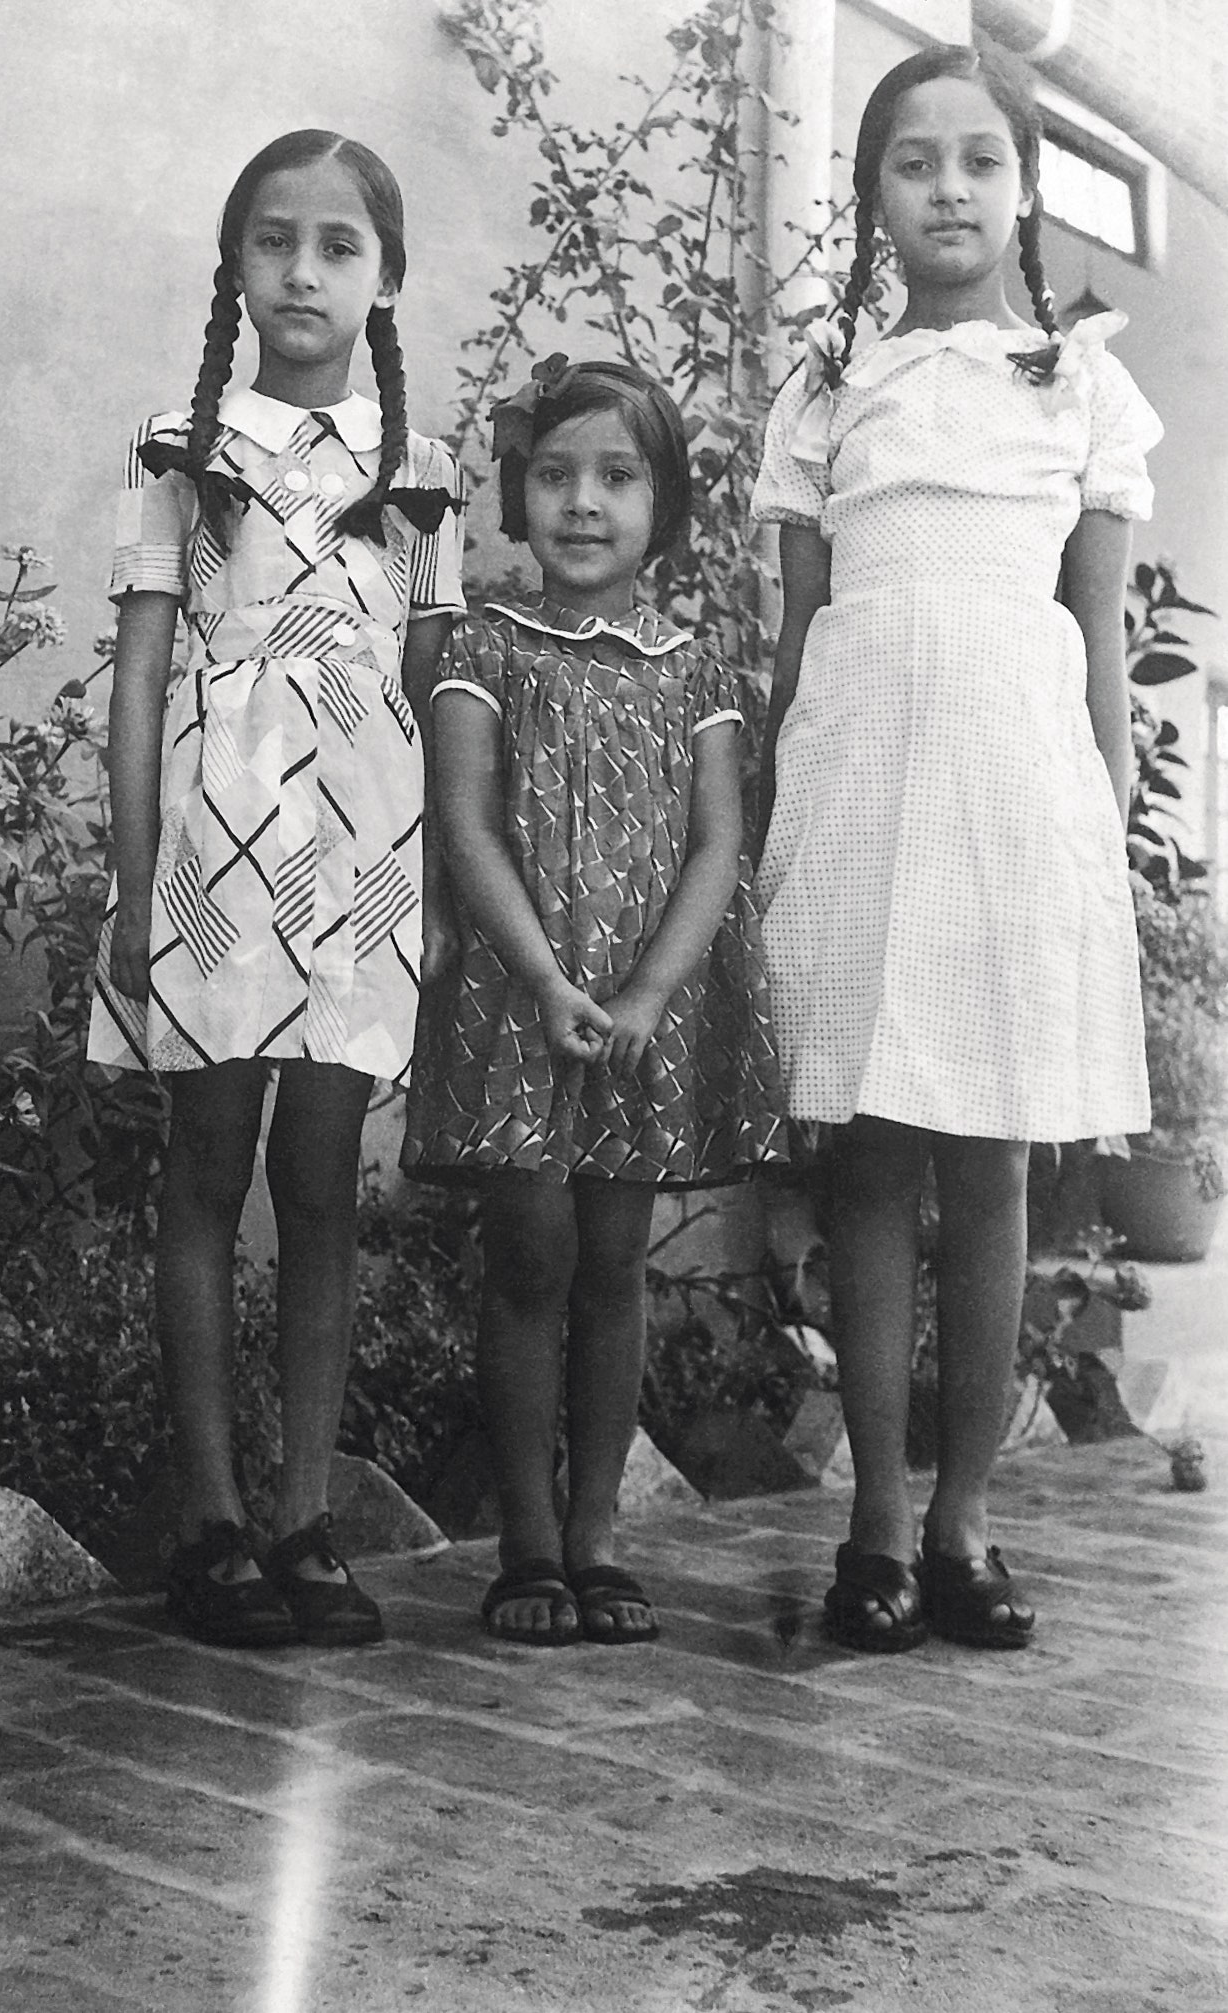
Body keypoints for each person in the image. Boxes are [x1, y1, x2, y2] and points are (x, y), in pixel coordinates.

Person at [752, 44, 1160, 1652]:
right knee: (871, 1150)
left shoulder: (1080, 386)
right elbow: (794, 645)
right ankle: (868, 1524)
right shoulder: (829, 383)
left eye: (979, 161)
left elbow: (1099, 649)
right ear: (869, 196)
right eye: (913, 161)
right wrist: (785, 817)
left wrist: (1097, 831)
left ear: (1022, 188)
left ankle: (966, 1523)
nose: (947, 189)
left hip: (1013, 792)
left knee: (989, 1159)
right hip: (862, 781)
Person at [88, 131, 466, 1647]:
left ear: (383, 276)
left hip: (362, 849)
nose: (301, 272)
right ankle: (213, 1521)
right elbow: (135, 676)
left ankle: (307, 1518)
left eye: (336, 247)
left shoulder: (417, 471)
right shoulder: (179, 446)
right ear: (233, 264)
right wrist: (130, 882)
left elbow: (437, 690)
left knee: (321, 1187)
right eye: (271, 242)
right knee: (204, 1169)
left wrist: (431, 889)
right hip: (211, 844)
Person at [402, 357, 783, 1646]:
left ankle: (602, 1537)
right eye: (555, 475)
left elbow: (717, 846)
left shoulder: (698, 671)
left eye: (617, 477)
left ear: (663, 509)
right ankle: (524, 1542)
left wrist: (647, 993)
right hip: (522, 1003)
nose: (582, 502)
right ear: (516, 498)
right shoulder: (479, 650)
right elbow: (462, 822)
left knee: (615, 1263)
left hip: (641, 1012)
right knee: (528, 1258)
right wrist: (554, 982)